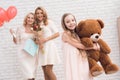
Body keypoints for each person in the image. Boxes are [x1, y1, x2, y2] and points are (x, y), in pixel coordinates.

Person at [61, 13, 100, 80]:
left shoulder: (77, 33)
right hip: (73, 61)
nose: (71, 23)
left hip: (81, 58)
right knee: (75, 75)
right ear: (64, 24)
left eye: (73, 20)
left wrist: (96, 43)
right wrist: (93, 47)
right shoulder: (65, 34)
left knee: (84, 75)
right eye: (68, 22)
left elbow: (88, 41)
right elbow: (79, 45)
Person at [34, 6, 60, 80]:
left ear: (44, 13)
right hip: (41, 49)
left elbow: (57, 34)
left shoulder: (48, 22)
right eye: (37, 13)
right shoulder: (35, 25)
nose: (39, 15)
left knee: (48, 70)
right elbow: (36, 38)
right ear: (35, 15)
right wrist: (37, 41)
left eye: (41, 13)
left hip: (49, 47)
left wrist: (45, 39)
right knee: (44, 71)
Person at [10, 12, 38, 80]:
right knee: (28, 75)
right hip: (23, 54)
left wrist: (36, 35)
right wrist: (13, 34)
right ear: (26, 18)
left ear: (34, 20)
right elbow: (16, 41)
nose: (30, 19)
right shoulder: (20, 28)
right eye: (28, 17)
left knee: (32, 75)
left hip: (32, 54)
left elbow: (37, 41)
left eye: (32, 18)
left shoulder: (36, 29)